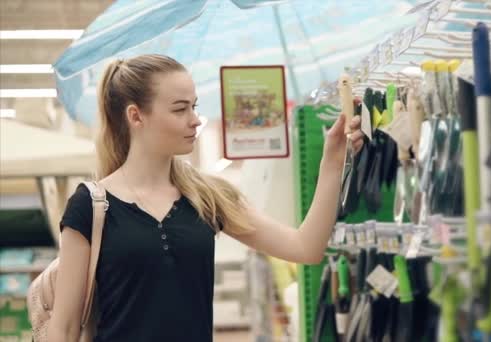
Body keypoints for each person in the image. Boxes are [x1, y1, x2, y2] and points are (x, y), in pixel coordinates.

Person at [48, 54, 364, 342]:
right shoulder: (91, 206)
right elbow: (64, 328)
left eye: (194, 106)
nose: (195, 120)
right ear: (136, 116)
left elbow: (305, 248)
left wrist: (333, 163)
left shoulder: (206, 197)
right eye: (180, 109)